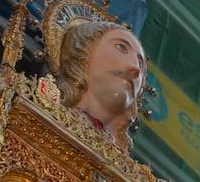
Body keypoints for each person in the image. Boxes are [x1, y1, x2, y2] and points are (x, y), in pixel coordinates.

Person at [55, 20, 146, 152]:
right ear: (83, 51)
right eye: (121, 47)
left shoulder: (121, 167)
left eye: (140, 64)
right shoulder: (37, 114)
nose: (135, 69)